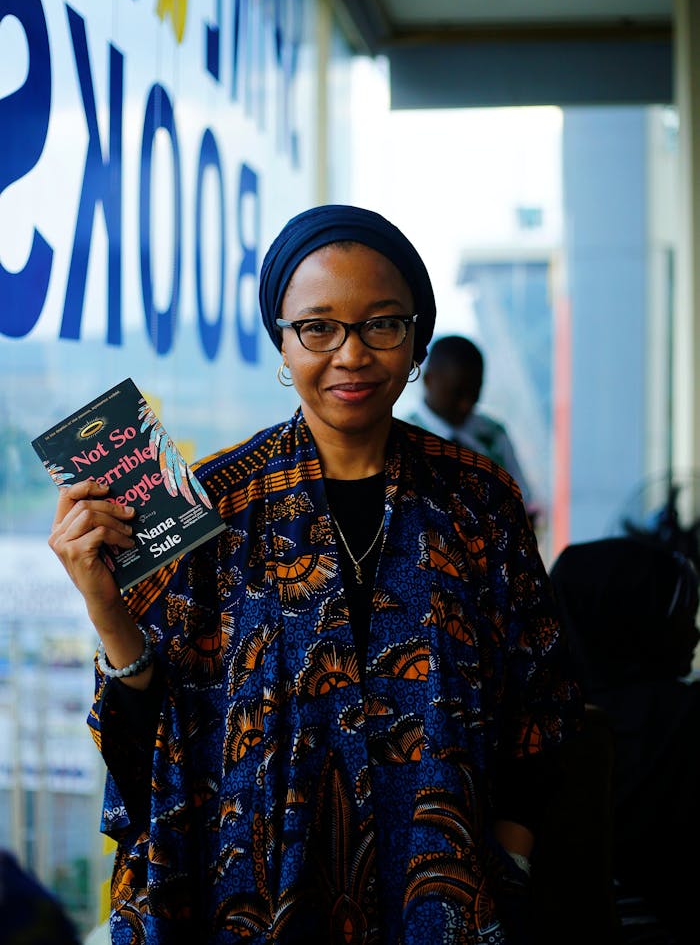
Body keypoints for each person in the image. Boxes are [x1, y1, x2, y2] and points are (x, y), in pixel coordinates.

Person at [48, 204, 582, 945]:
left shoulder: (478, 501)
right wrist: (107, 609)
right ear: (282, 340)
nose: (352, 354)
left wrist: (510, 860)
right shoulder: (215, 504)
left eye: (382, 323)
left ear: (416, 337)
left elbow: (543, 703)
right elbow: (148, 751)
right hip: (253, 904)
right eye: (318, 327)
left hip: (446, 904)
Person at [549, 536, 700, 945]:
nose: (694, 634)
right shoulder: (683, 721)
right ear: (637, 623)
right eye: (680, 615)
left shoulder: (533, 726)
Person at [403, 336, 537, 519]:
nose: (465, 404)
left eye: (474, 393)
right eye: (456, 393)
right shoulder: (401, 442)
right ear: (428, 380)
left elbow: (523, 503)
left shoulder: (493, 434)